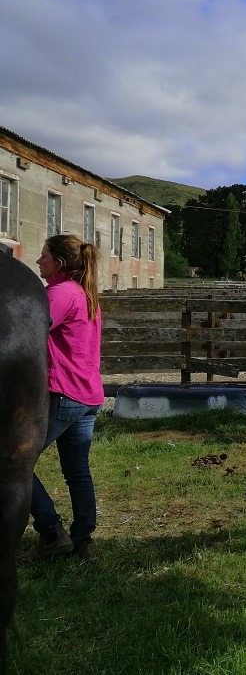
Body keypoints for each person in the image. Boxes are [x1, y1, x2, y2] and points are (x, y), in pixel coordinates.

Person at [25, 234, 103, 560]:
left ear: (57, 262)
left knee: (11, 462)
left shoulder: (60, 293)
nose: (39, 261)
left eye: (43, 256)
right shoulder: (85, 293)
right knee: (77, 471)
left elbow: (30, 331)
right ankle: (82, 540)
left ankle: (51, 533)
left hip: (64, 393)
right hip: (88, 394)